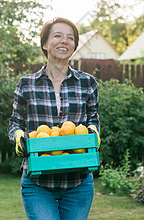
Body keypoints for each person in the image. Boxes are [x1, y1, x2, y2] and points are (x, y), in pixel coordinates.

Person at [8, 17, 101, 220]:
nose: (64, 41)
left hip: (78, 181)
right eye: (57, 36)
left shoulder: (87, 83)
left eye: (70, 38)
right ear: (44, 44)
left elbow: (93, 118)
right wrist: (18, 136)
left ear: (75, 45)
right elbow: (15, 122)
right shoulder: (27, 84)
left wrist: (94, 132)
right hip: (38, 182)